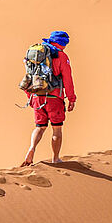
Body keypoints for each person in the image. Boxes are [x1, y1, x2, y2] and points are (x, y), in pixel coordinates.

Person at [23, 30, 77, 165]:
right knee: (57, 129)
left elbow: (29, 76)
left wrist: (30, 96)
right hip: (54, 97)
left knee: (40, 127)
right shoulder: (61, 56)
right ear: (62, 43)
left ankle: (32, 148)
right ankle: (55, 158)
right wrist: (71, 98)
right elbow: (67, 79)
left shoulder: (36, 54)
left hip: (36, 95)